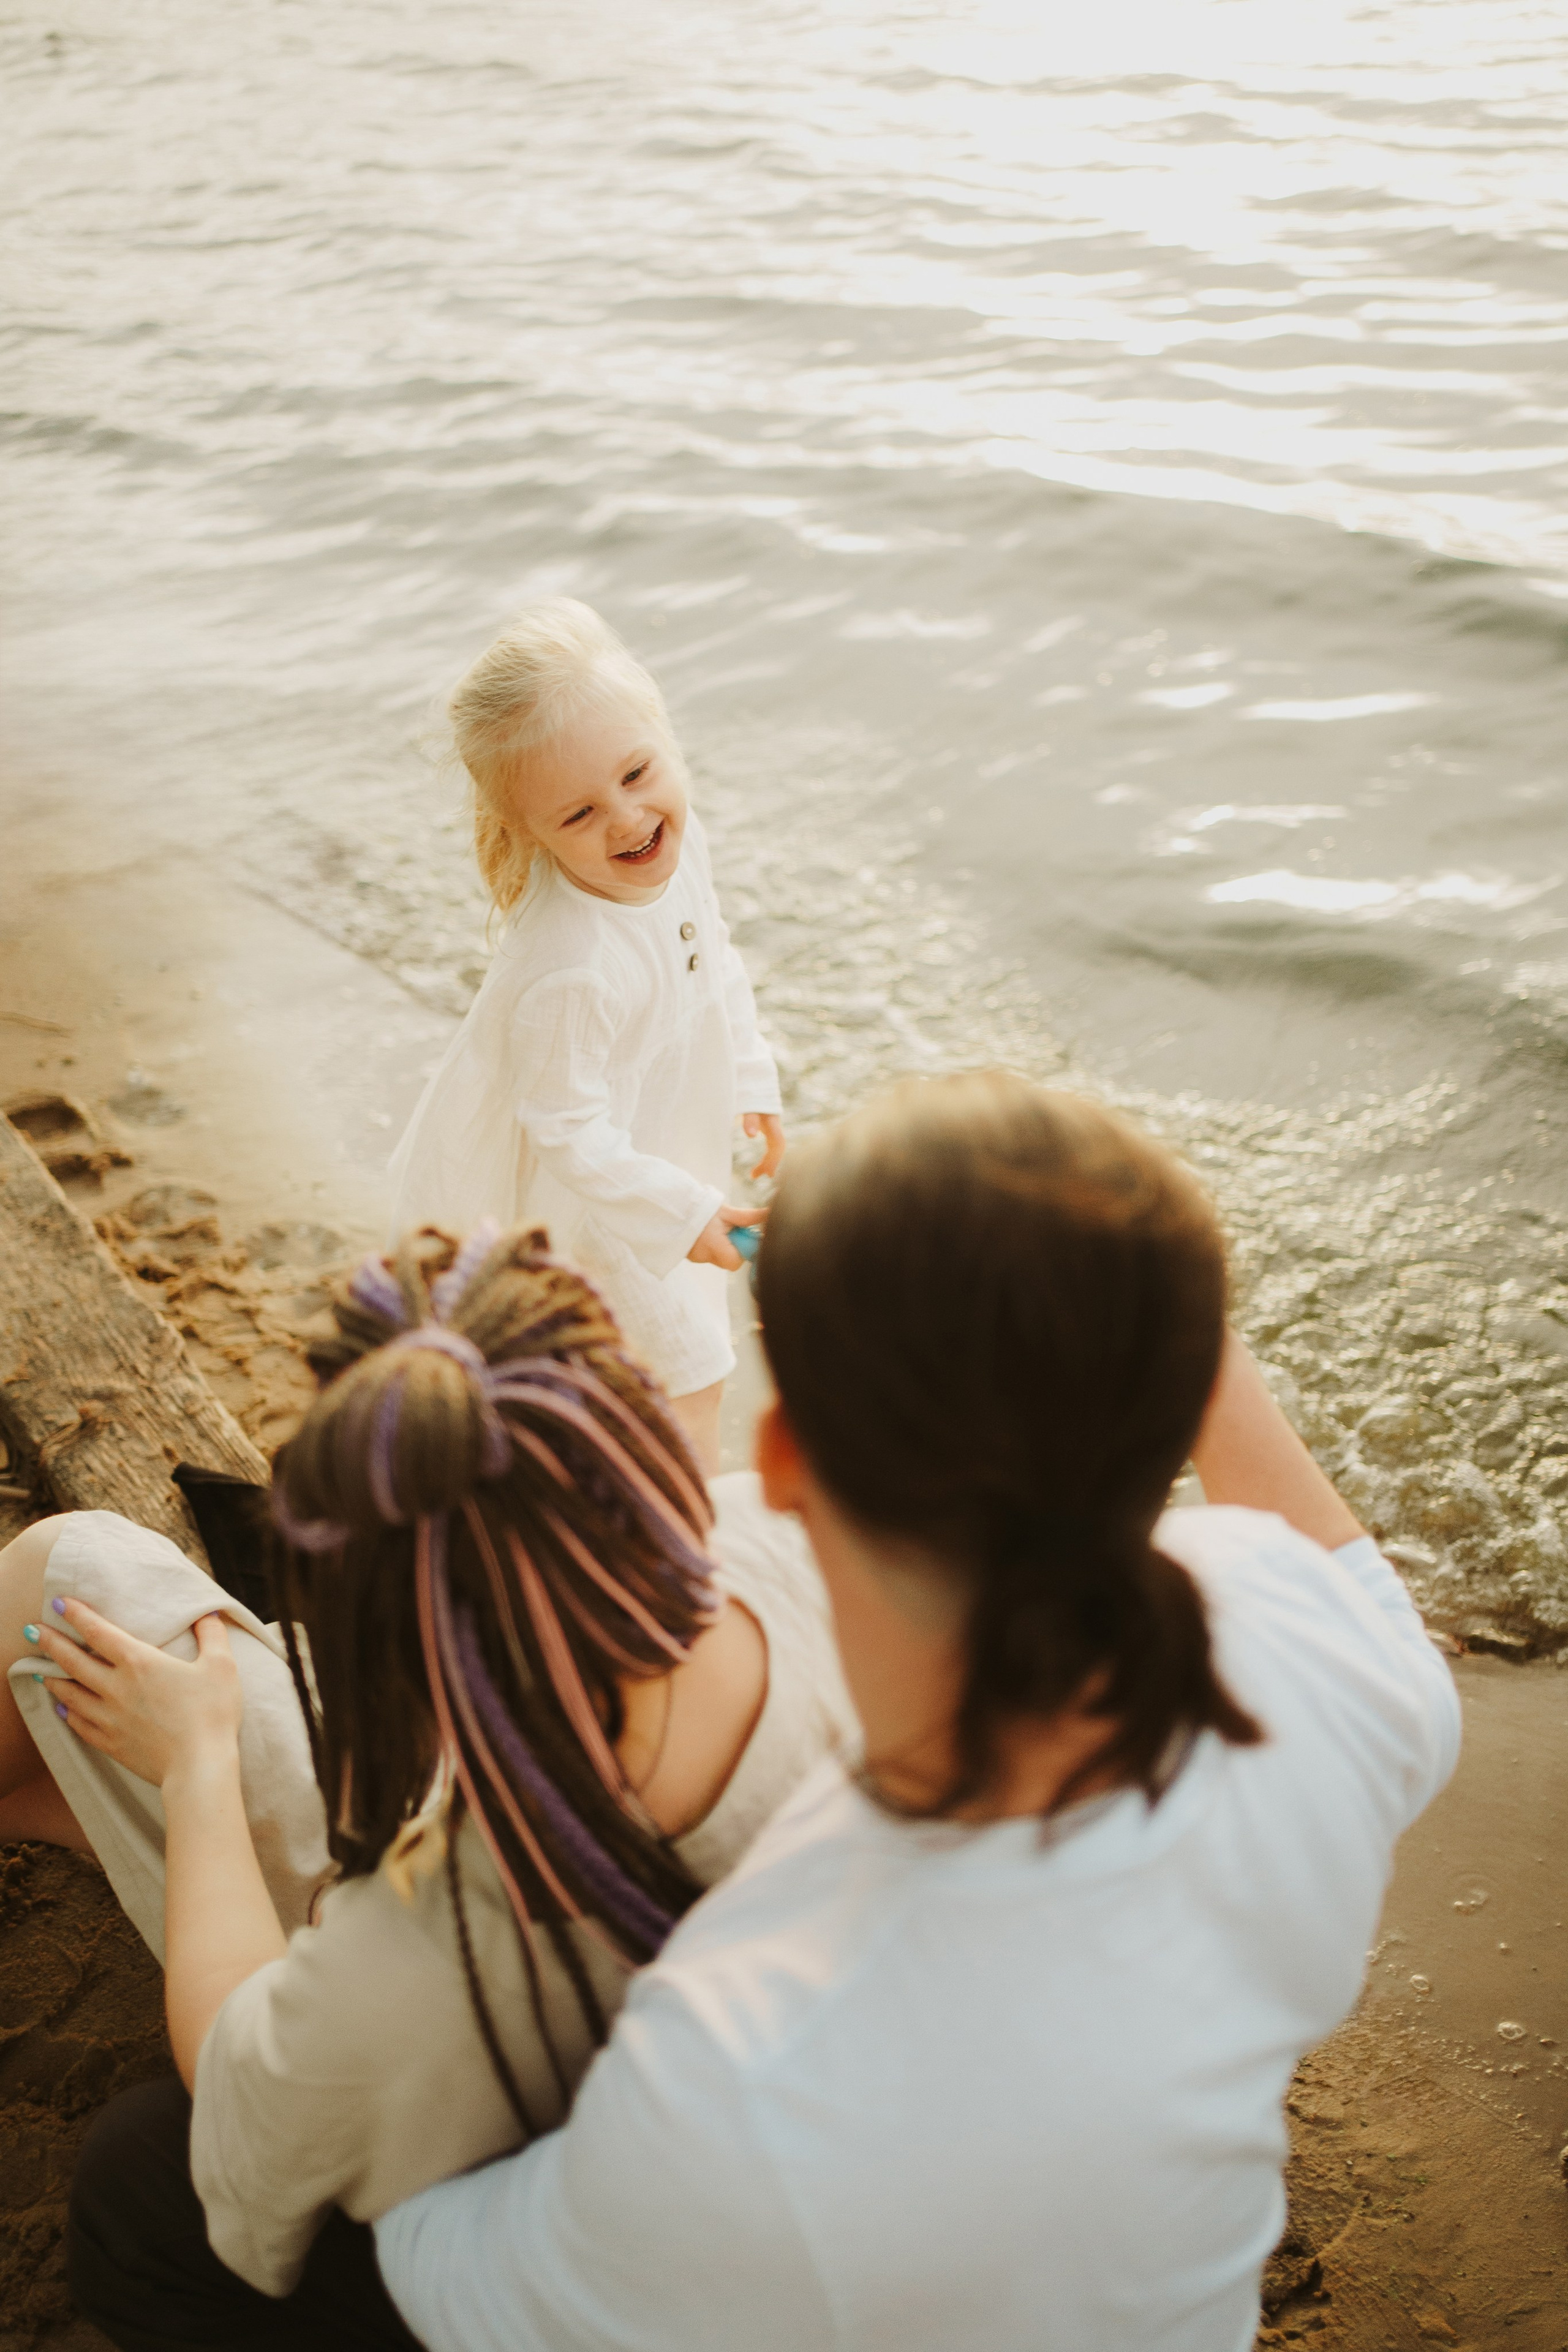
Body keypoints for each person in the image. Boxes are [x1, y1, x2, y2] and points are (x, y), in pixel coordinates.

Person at [350, 1072, 1458, 2352]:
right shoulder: (1301, 1657)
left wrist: (240, 1810)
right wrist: (1109, 1255)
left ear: (779, 1463)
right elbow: (1333, 1568)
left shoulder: (752, 2059)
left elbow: (436, 2257)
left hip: (736, 2242)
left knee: (144, 2194)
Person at [1, 1224, 855, 2348]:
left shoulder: (433, 1940)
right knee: (79, 1579)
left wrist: (198, 1769)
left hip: (528, 2126)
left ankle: (138, 1810)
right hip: (551, 1916)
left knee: (141, 2185)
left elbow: (244, 2108)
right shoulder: (799, 1552)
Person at [388, 598, 783, 1471]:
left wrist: (752, 1081)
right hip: (599, 1204)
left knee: (657, 1380)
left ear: (664, 738)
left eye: (638, 774)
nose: (627, 820)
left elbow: (713, 957)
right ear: (526, 830)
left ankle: (650, 1518)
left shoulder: (683, 848)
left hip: (667, 1162)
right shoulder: (570, 966)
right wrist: (681, 1213)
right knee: (688, 1378)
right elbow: (563, 1128)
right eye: (578, 815)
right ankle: (687, 1543)